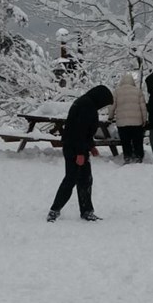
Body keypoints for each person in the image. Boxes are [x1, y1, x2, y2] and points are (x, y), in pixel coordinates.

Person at [48, 85, 114, 222]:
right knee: (71, 179)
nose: (102, 107)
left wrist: (91, 146)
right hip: (74, 147)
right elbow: (79, 130)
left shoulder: (87, 103)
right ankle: (54, 210)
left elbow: (86, 130)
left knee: (85, 179)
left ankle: (86, 211)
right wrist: (80, 153)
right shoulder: (86, 106)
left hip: (77, 146)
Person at [110, 72, 147, 163]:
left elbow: (111, 106)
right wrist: (144, 119)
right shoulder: (138, 91)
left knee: (125, 141)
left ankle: (127, 156)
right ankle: (138, 156)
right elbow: (143, 107)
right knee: (137, 140)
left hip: (122, 123)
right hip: (136, 122)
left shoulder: (117, 92)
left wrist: (110, 117)